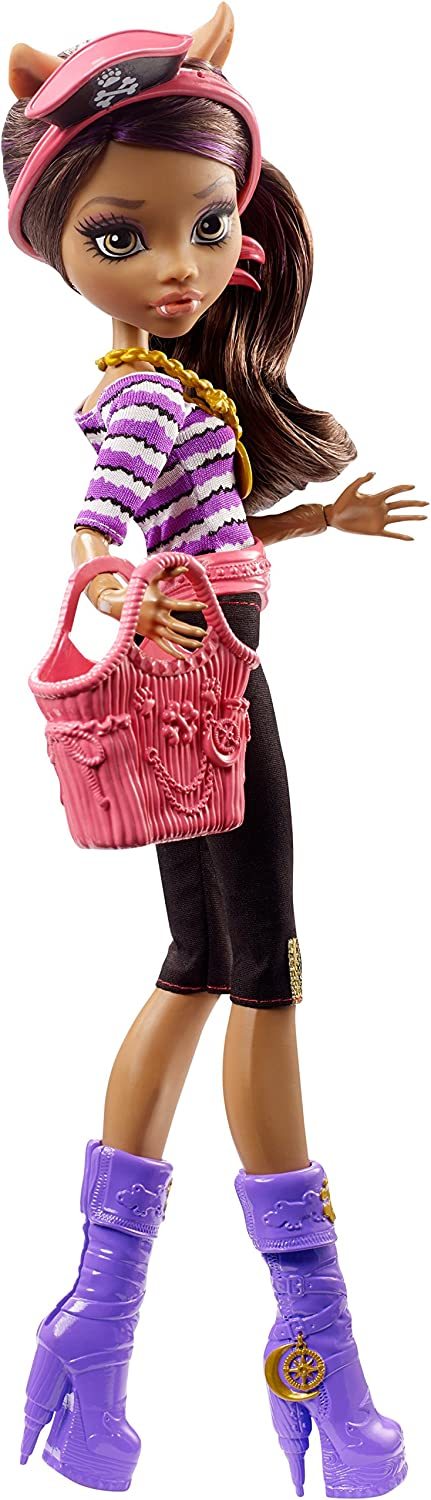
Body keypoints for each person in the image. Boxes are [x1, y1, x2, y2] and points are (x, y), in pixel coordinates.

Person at [3, 7, 423, 1493]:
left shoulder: (179, 392)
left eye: (207, 224)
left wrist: (318, 522)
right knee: (269, 979)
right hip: (216, 699)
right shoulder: (139, 401)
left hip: (201, 695)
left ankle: (92, 1331)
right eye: (123, 237)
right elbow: (100, 534)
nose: (177, 264)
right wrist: (135, 603)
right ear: (55, 239)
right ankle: (319, 1359)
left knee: (194, 965)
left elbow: (204, 525)